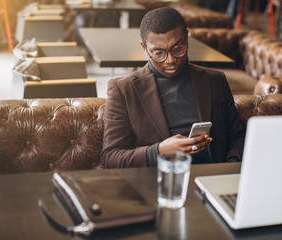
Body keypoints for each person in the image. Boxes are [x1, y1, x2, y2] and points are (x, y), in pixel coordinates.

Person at [101, 7, 245, 168]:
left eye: (178, 48)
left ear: (187, 38)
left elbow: (237, 136)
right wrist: (159, 151)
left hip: (213, 177)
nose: (170, 60)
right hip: (159, 182)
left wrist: (230, 167)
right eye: (158, 52)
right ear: (144, 48)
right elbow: (110, 158)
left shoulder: (215, 80)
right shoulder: (123, 90)